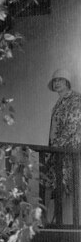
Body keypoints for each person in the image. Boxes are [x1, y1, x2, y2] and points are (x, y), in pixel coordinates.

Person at [47, 69, 81, 223]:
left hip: (69, 151)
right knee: (57, 187)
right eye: (55, 80)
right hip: (58, 152)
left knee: (68, 187)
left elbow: (72, 127)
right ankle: (56, 223)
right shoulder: (60, 102)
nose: (57, 83)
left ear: (67, 82)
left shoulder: (75, 100)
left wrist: (56, 148)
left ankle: (67, 226)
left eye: (60, 80)